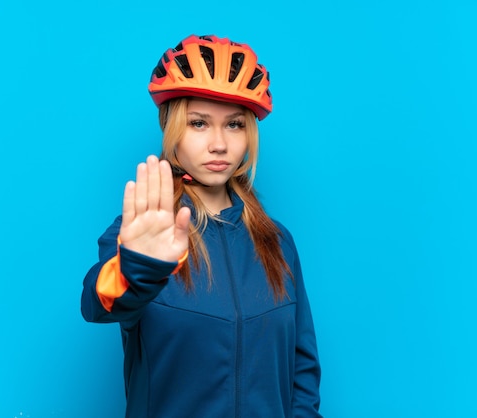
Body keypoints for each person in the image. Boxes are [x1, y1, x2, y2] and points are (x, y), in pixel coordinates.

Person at [81, 34, 322, 418]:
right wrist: (140, 268)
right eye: (198, 123)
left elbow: (302, 372)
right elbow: (98, 304)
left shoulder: (278, 242)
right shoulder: (144, 231)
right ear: (171, 128)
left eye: (234, 125)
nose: (218, 144)